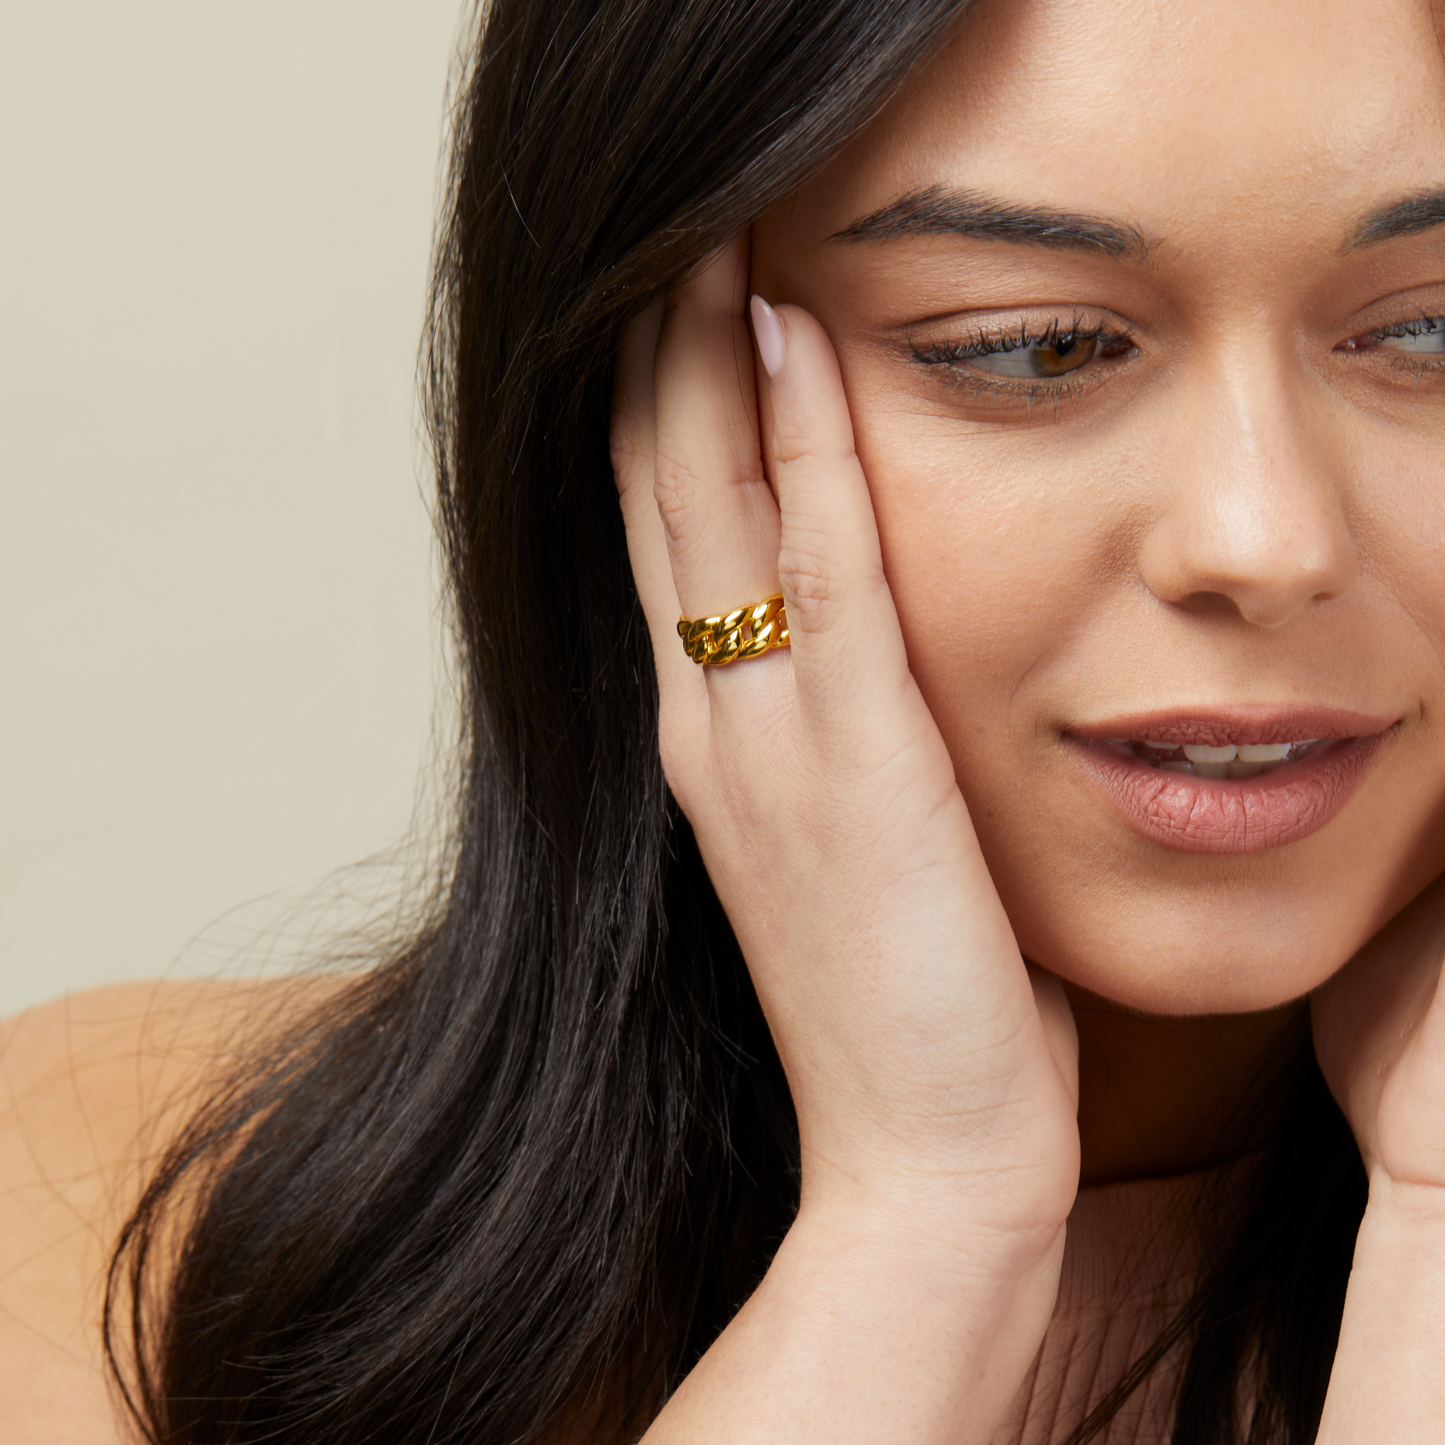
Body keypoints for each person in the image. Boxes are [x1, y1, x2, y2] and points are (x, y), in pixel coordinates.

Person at [6, 0, 1445, 1439]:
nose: (1267, 540)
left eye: (1432, 327)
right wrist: (917, 1229)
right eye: (1040, 346)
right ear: (658, 401)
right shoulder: (100, 1215)